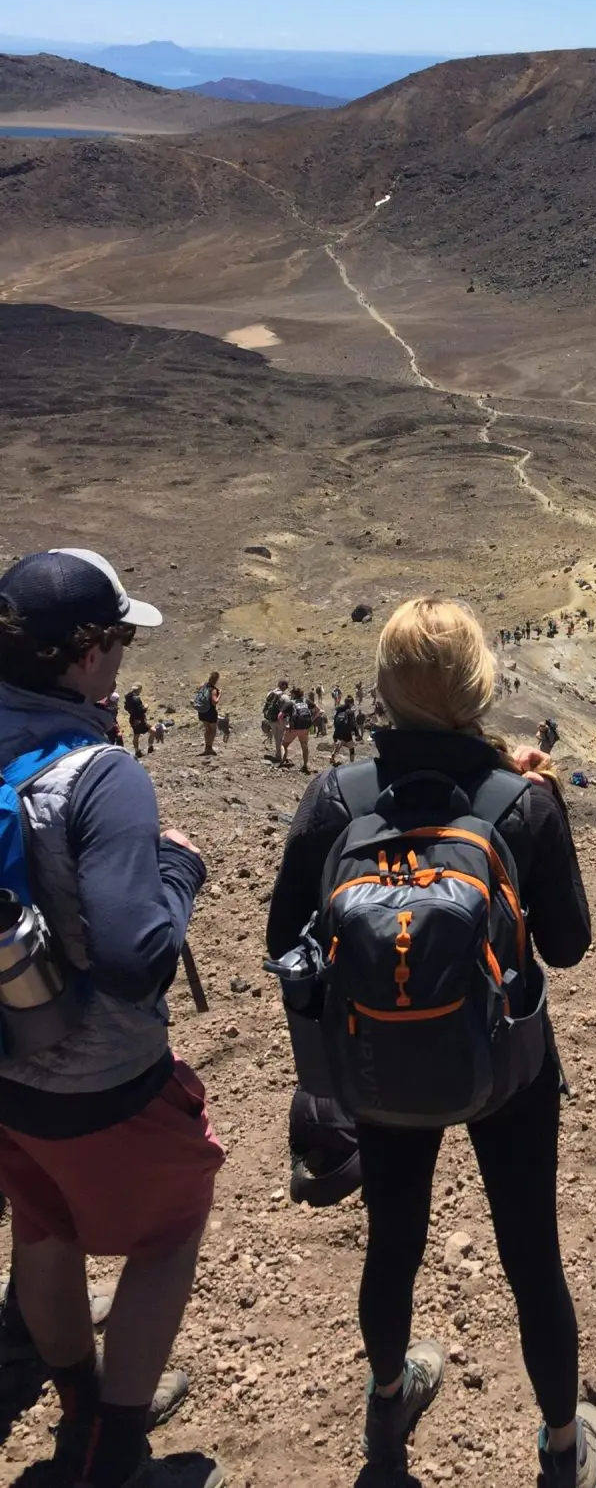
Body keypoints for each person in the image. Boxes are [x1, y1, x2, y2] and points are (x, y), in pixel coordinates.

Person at [265, 597, 596, 1486]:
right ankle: (564, 1445)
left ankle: (390, 1398)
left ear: (385, 690)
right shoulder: (520, 801)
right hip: (508, 1067)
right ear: (478, 686)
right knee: (532, 1251)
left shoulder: (334, 796)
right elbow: (567, 947)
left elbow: (282, 941)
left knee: (395, 1239)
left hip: (378, 1063)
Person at [0, 547, 222, 1488]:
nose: (126, 655)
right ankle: (113, 1453)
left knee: (41, 1228)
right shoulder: (101, 776)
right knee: (170, 1228)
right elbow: (136, 962)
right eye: (120, 637)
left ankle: (82, 1406)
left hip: (8, 1071)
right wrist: (179, 869)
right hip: (103, 1077)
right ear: (85, 654)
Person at [281, 687, 313, 774]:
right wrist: (312, 721)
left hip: (293, 729)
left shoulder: (290, 703)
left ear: (294, 694)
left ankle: (281, 762)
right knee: (304, 746)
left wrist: (285, 726)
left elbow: (280, 716)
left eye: (291, 694)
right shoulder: (306, 701)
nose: (290, 695)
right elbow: (319, 711)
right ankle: (305, 765)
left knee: (283, 745)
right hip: (305, 729)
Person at [123, 687, 156, 759]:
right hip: (139, 720)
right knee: (153, 731)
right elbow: (142, 710)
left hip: (134, 719)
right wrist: (146, 706)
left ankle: (137, 751)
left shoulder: (128, 700)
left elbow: (127, 708)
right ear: (138, 690)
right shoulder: (136, 699)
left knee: (136, 735)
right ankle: (150, 748)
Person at [193, 670, 220, 757]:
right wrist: (220, 694)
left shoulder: (203, 685)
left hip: (202, 711)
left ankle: (206, 747)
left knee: (207, 730)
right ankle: (209, 747)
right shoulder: (213, 690)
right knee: (213, 731)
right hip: (210, 712)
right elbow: (214, 702)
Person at [262, 678, 289, 763]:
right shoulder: (285, 696)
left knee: (277, 738)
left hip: (271, 719)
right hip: (281, 720)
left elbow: (266, 705)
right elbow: (288, 709)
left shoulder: (270, 693)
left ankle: (279, 755)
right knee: (280, 739)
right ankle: (280, 757)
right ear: (284, 686)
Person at [330, 695, 358, 766]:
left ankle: (332, 756)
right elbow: (353, 725)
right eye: (352, 703)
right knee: (352, 748)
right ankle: (352, 764)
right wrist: (357, 733)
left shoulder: (339, 710)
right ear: (351, 703)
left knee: (340, 742)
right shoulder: (350, 712)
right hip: (346, 734)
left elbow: (335, 722)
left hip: (337, 733)